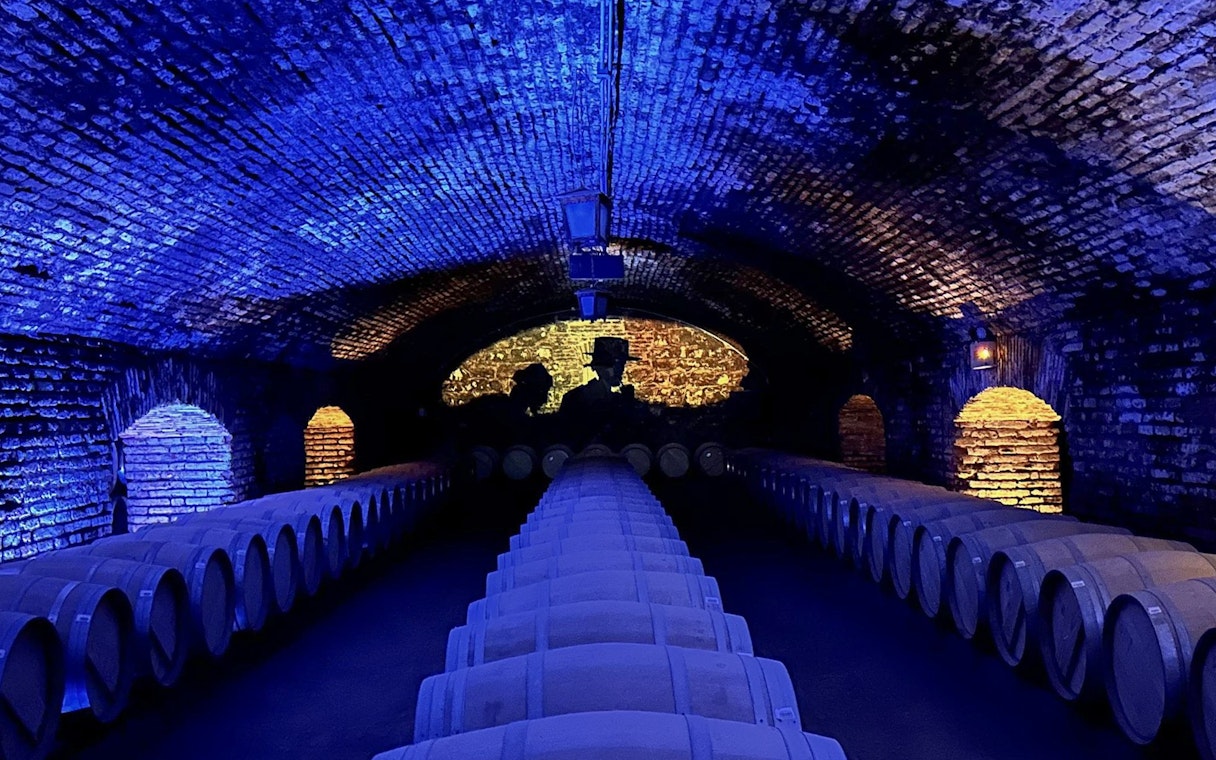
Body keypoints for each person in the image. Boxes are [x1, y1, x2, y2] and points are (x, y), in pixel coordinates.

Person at [558, 337, 645, 446]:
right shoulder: (577, 398)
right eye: (613, 365)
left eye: (622, 364)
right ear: (597, 368)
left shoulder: (617, 398)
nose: (620, 370)